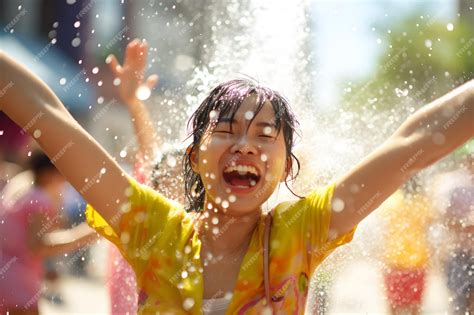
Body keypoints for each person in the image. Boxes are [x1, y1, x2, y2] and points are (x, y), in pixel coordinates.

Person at [1, 45, 473, 313]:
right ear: (194, 156)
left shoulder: (301, 232)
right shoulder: (152, 226)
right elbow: (46, 115)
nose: (246, 146)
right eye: (225, 132)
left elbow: (415, 142)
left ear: (288, 165)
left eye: (266, 135)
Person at [0, 150, 99, 314]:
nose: (65, 182)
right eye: (61, 175)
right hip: (18, 283)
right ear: (47, 174)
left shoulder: (21, 183)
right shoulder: (39, 198)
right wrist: (86, 234)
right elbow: (38, 245)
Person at [379, 179, 433, 315]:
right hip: (417, 261)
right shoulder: (422, 202)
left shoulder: (391, 201)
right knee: (415, 307)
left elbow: (383, 230)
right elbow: (429, 227)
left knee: (394, 307)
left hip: (394, 261)